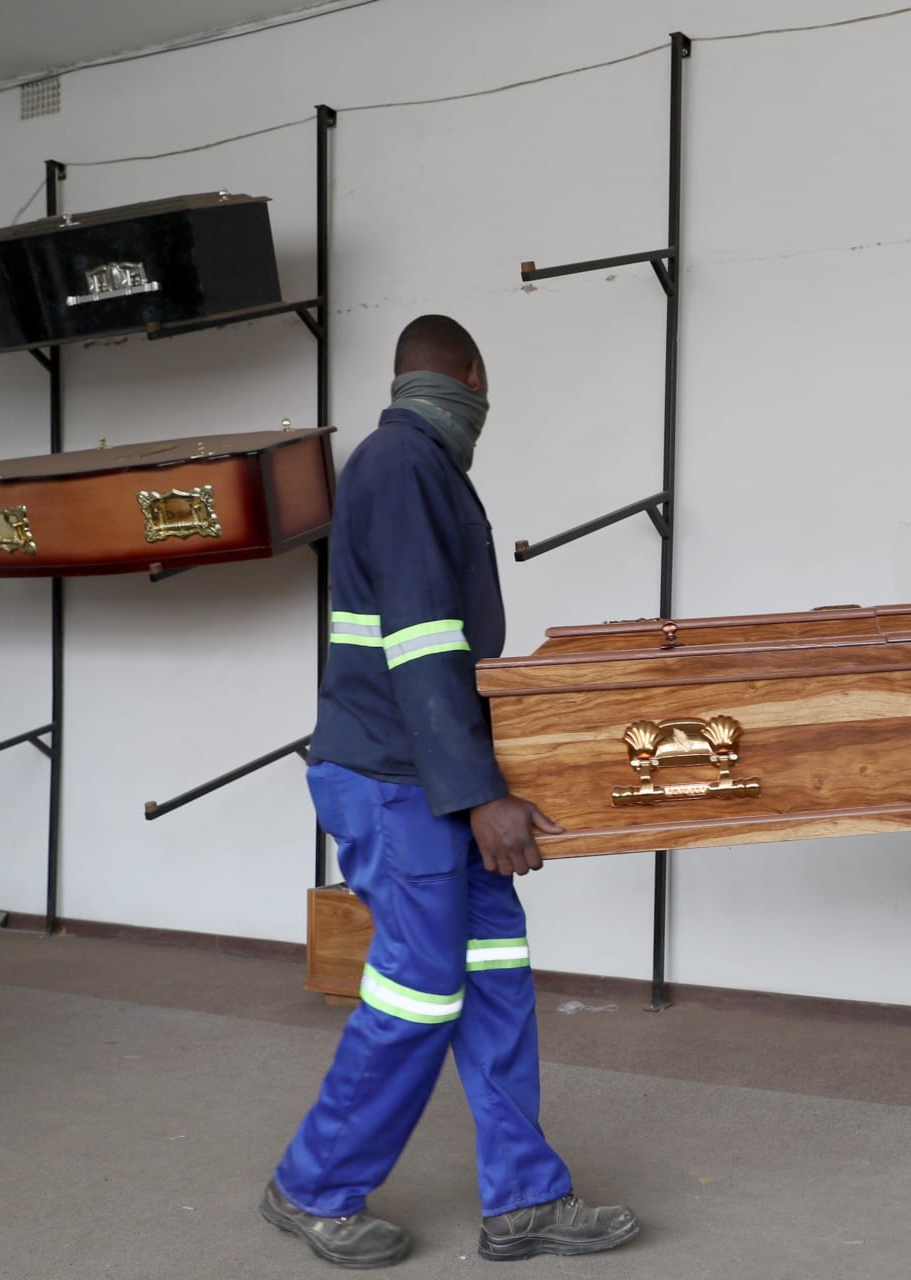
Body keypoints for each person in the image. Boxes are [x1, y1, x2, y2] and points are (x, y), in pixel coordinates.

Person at [259, 314, 639, 1268]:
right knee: (422, 989)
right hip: (400, 784)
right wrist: (480, 796)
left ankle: (525, 1199)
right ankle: (311, 1185)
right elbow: (424, 644)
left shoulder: (421, 466)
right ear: (470, 376)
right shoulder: (404, 467)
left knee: (494, 980)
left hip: (428, 774)